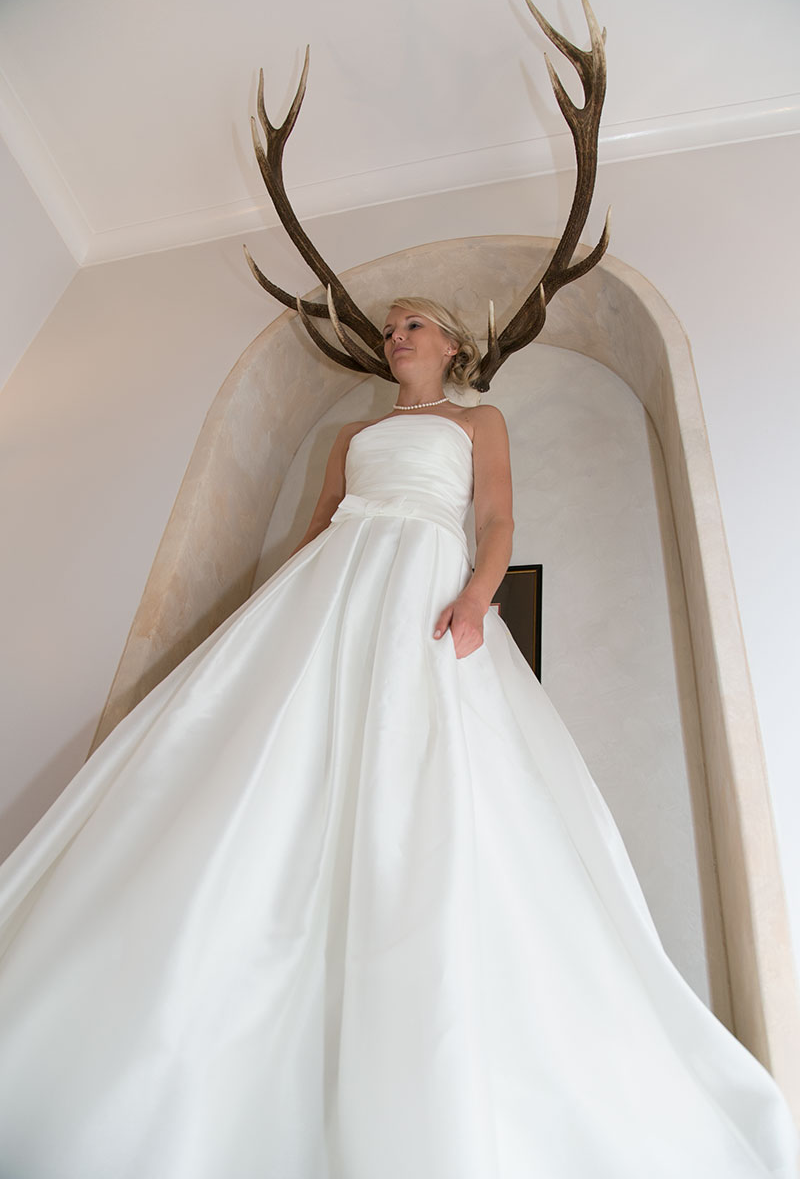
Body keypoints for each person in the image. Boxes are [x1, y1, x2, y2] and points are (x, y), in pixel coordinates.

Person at [0, 297, 795, 1178]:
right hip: (334, 581)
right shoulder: (351, 436)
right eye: (390, 329)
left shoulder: (479, 421)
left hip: (422, 578)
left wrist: (476, 597)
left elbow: (497, 520)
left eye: (414, 324)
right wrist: (277, 611)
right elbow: (318, 526)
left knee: (419, 757)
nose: (396, 335)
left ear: (454, 344)